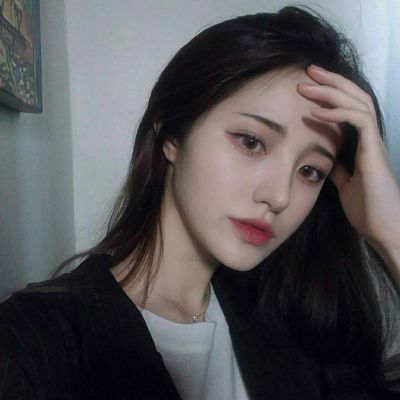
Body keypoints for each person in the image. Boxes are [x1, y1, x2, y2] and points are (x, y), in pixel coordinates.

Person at [0, 6, 399, 400]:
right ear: (172, 135)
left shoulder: (298, 322)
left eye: (310, 171)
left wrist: (393, 235)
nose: (279, 196)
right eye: (251, 142)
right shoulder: (32, 342)